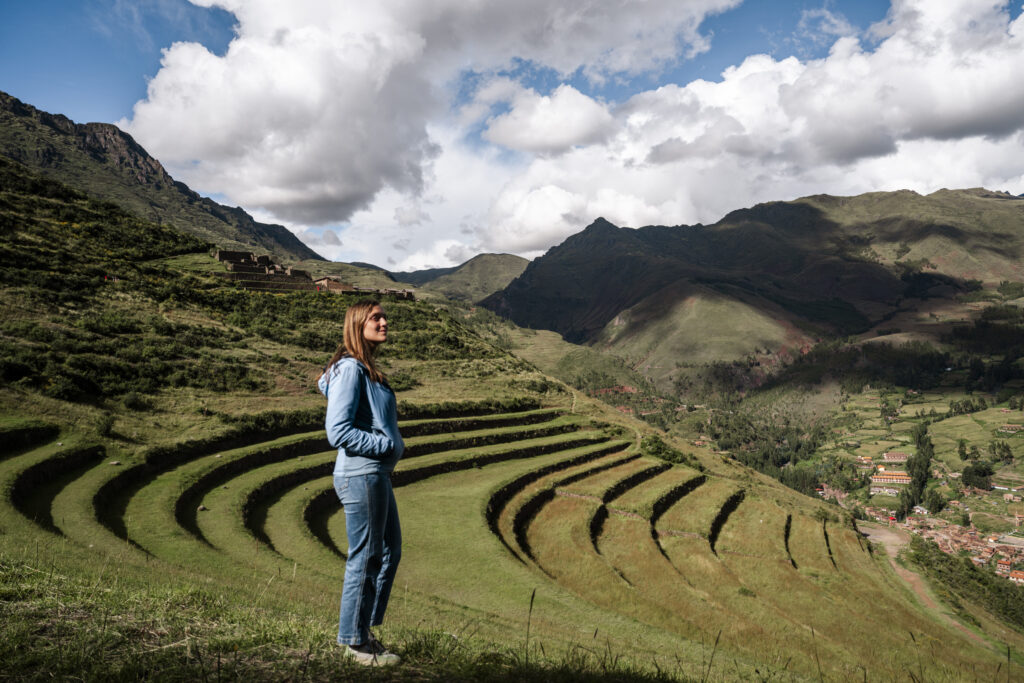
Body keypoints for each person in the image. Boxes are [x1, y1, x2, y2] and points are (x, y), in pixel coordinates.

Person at [317, 299, 404, 666]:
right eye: (376, 317)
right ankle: (355, 643)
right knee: (366, 558)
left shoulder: (364, 369)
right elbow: (337, 431)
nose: (385, 322)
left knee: (388, 552)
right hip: (362, 474)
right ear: (358, 324)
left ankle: (364, 632)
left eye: (384, 316)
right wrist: (385, 445)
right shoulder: (351, 369)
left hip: (375, 474)